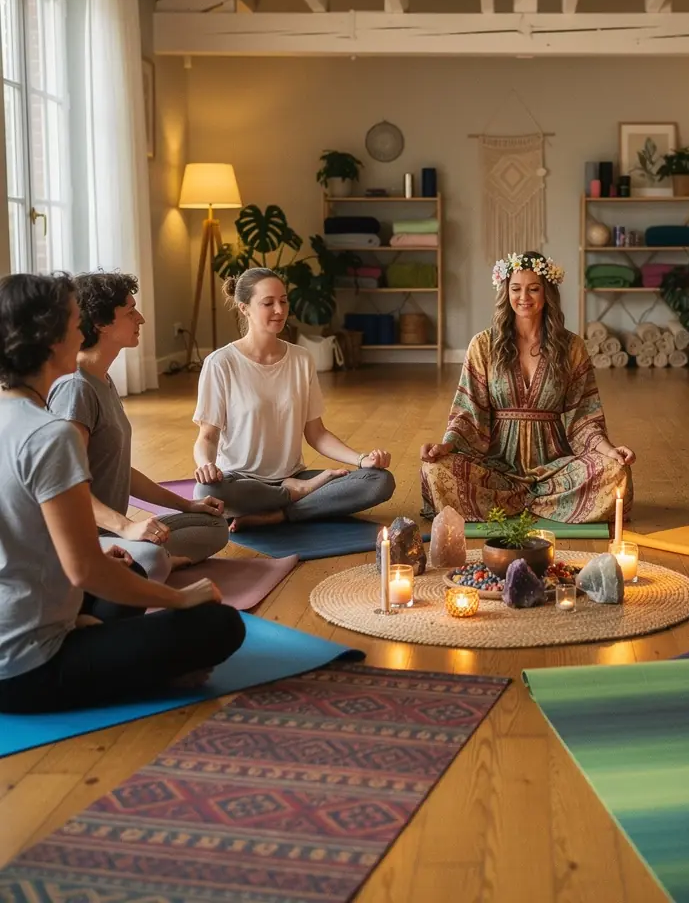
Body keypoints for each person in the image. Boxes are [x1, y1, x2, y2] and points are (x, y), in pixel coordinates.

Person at [0, 273, 244, 715]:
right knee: (220, 624)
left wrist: (75, 612)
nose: (81, 333)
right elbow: (84, 570)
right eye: (74, 323)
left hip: (21, 631)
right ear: (49, 339)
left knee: (125, 566)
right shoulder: (50, 434)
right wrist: (180, 598)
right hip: (27, 670)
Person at [420, 251, 635, 522]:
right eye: (516, 289)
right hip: (495, 469)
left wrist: (609, 450)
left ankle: (515, 503)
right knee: (435, 470)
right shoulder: (483, 345)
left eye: (533, 289)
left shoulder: (572, 347)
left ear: (547, 293)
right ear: (505, 291)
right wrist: (446, 446)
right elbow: (468, 412)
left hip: (557, 470)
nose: (524, 297)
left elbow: (584, 417)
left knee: (616, 471)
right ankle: (539, 504)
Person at [48, 272, 229, 582]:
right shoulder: (75, 389)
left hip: (113, 532)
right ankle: (150, 564)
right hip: (79, 541)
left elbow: (118, 470)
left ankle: (150, 564)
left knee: (215, 525)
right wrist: (127, 526)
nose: (141, 319)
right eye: (130, 312)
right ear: (101, 324)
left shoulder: (102, 379)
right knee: (151, 557)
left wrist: (187, 504)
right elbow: (64, 485)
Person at [193, 268, 395, 529]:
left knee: (380, 481)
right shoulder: (221, 363)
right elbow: (208, 437)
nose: (279, 310)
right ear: (244, 308)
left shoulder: (301, 359)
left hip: (293, 476)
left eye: (283, 300)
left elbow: (316, 434)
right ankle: (293, 497)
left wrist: (361, 460)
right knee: (206, 491)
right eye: (268, 303)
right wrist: (206, 466)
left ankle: (279, 513)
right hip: (240, 481)